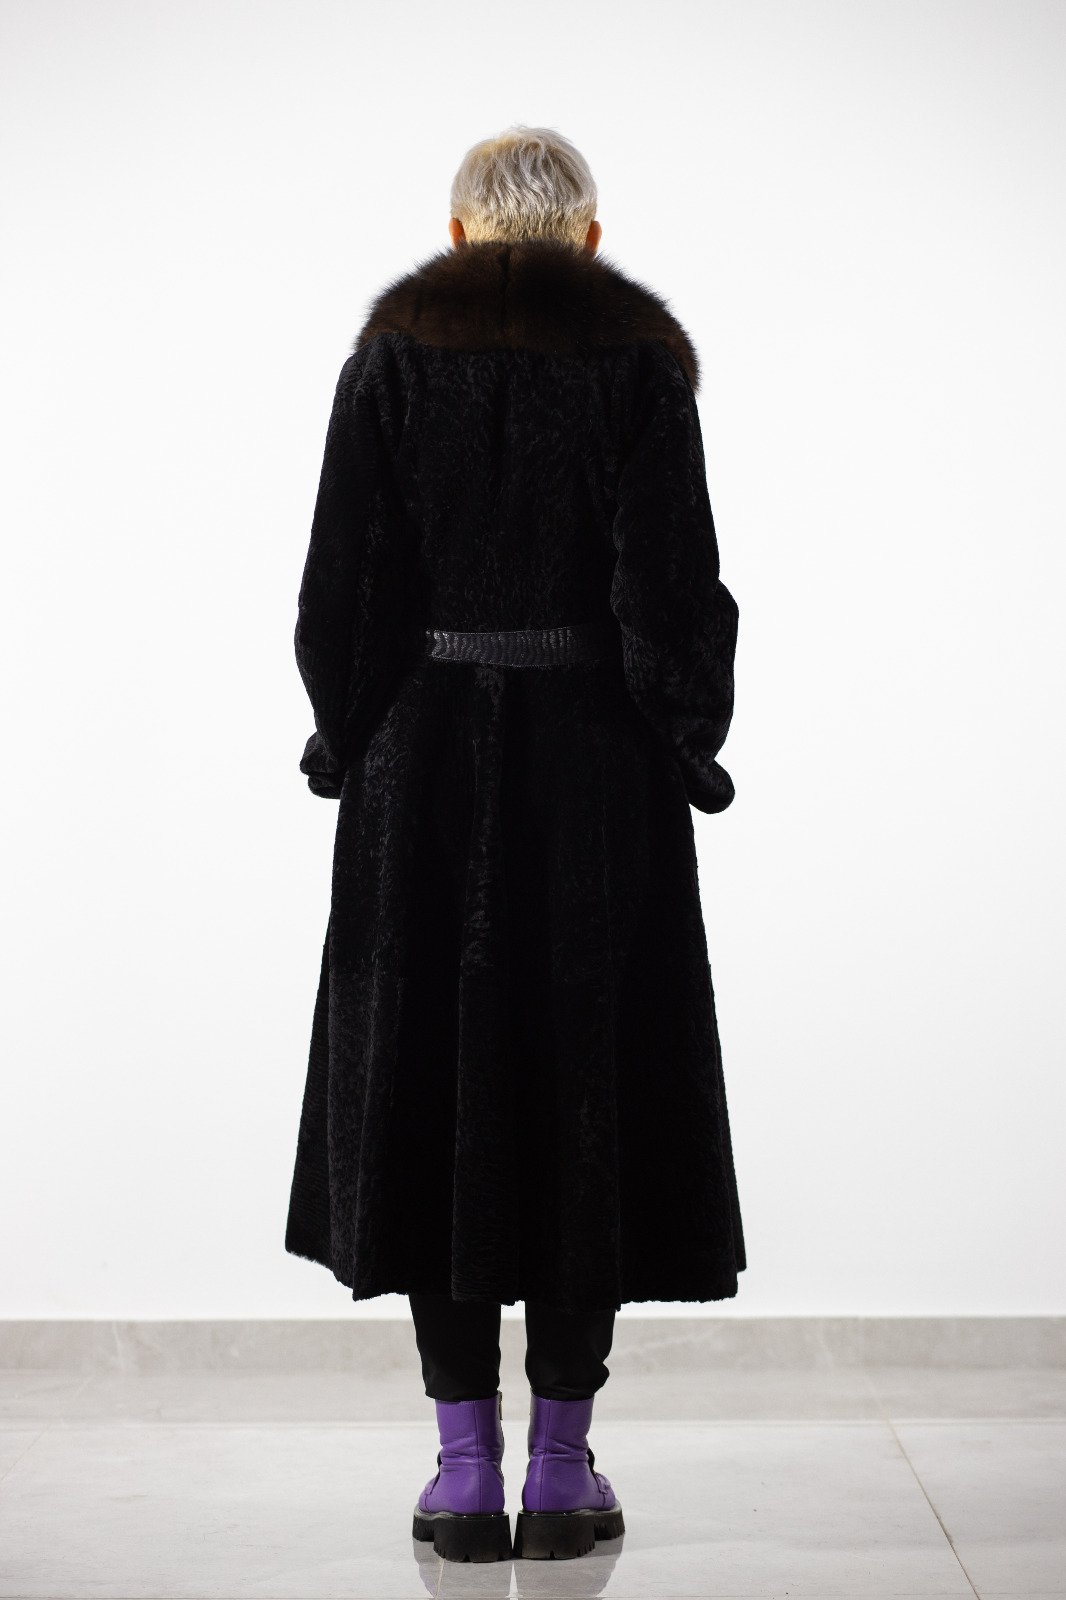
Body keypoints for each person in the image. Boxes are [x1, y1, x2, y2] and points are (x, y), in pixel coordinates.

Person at [284, 125, 746, 1563]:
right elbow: (674, 588)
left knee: (433, 1099)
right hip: (594, 783)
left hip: (420, 778)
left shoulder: (389, 364)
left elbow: (340, 585)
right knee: (581, 1100)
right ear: (589, 239)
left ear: (456, 233)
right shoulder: (638, 368)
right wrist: (686, 738)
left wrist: (345, 735)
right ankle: (559, 1468)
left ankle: (459, 1472)